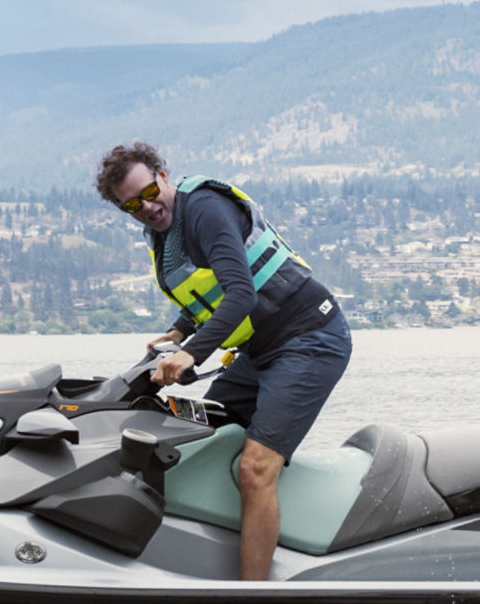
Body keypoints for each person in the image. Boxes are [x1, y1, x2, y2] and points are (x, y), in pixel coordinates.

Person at [96, 142, 351, 579]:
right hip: (261, 349)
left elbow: (240, 293)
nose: (147, 208)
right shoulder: (163, 230)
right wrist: (181, 329)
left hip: (310, 337)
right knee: (198, 437)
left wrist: (191, 351)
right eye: (131, 205)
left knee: (255, 468)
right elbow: (208, 286)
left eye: (149, 192)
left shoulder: (205, 210)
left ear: (162, 173)